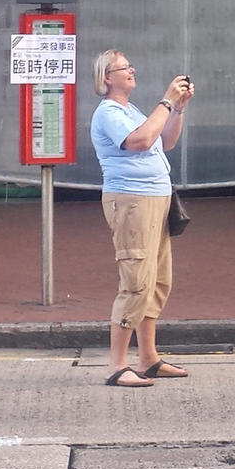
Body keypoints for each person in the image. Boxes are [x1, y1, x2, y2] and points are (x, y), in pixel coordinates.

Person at [89, 49, 194, 389]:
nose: (131, 71)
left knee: (157, 280)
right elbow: (140, 140)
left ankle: (148, 358)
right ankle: (117, 365)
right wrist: (166, 101)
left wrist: (177, 108)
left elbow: (166, 141)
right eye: (124, 68)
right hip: (132, 202)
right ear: (107, 77)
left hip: (155, 200)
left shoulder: (130, 110)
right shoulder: (108, 112)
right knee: (135, 281)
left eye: (131, 66)